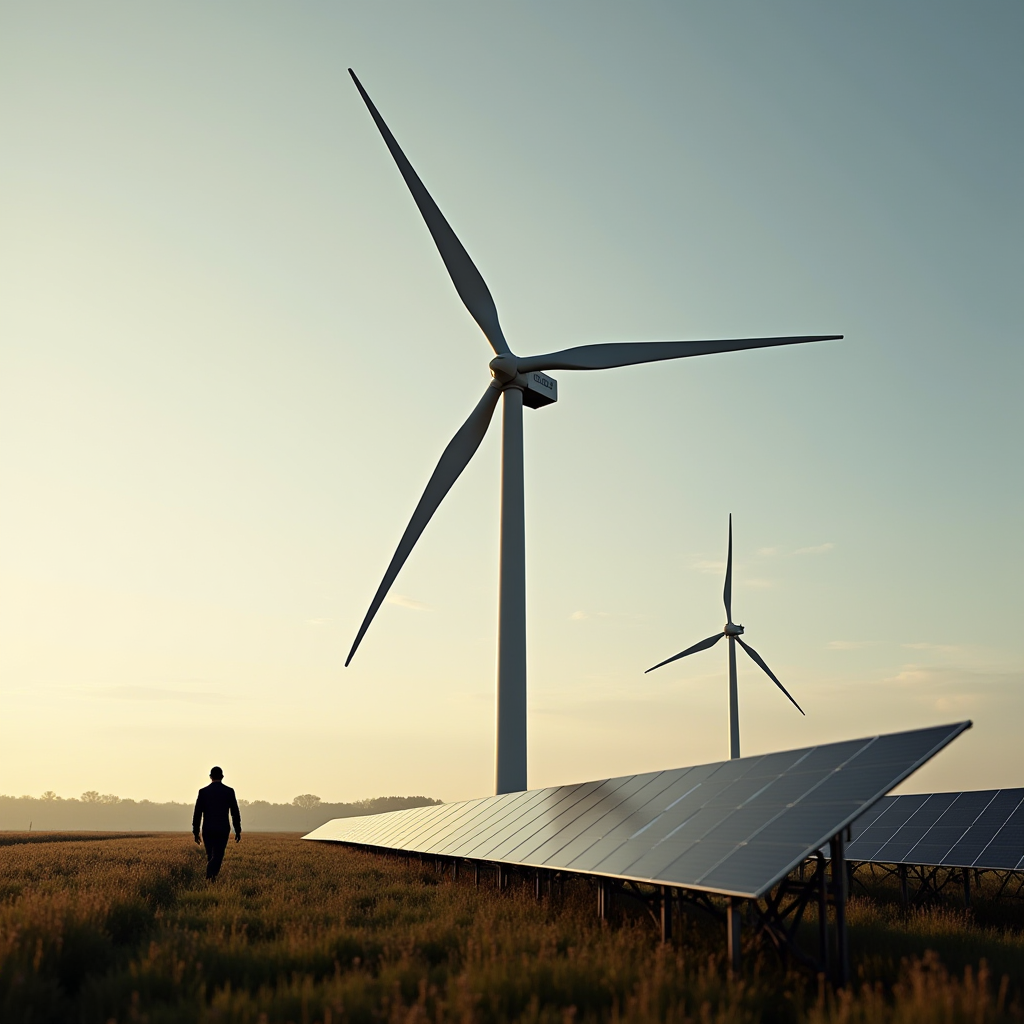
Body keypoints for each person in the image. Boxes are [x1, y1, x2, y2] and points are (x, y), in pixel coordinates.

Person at [192, 766, 241, 880]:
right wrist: (237, 830)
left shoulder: (203, 792)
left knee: (211, 855)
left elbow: (197, 813)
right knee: (218, 856)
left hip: (208, 829)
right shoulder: (229, 791)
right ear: (222, 777)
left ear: (210, 777)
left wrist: (195, 831)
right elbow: (235, 812)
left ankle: (211, 879)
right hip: (222, 829)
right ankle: (210, 877)